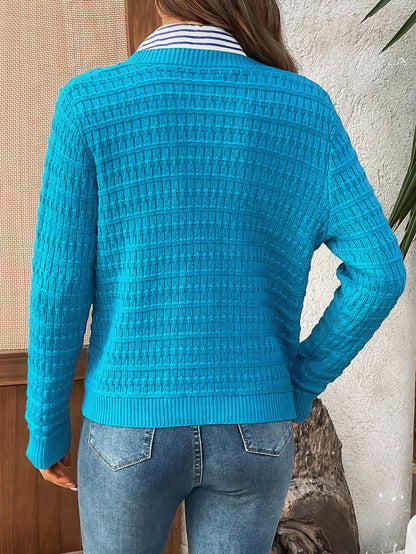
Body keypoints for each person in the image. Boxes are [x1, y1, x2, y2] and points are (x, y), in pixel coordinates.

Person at [25, 0, 406, 552]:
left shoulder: (89, 104)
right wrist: (298, 385)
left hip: (128, 424)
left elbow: (58, 290)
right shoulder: (306, 109)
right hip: (256, 429)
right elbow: (380, 272)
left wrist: (45, 428)